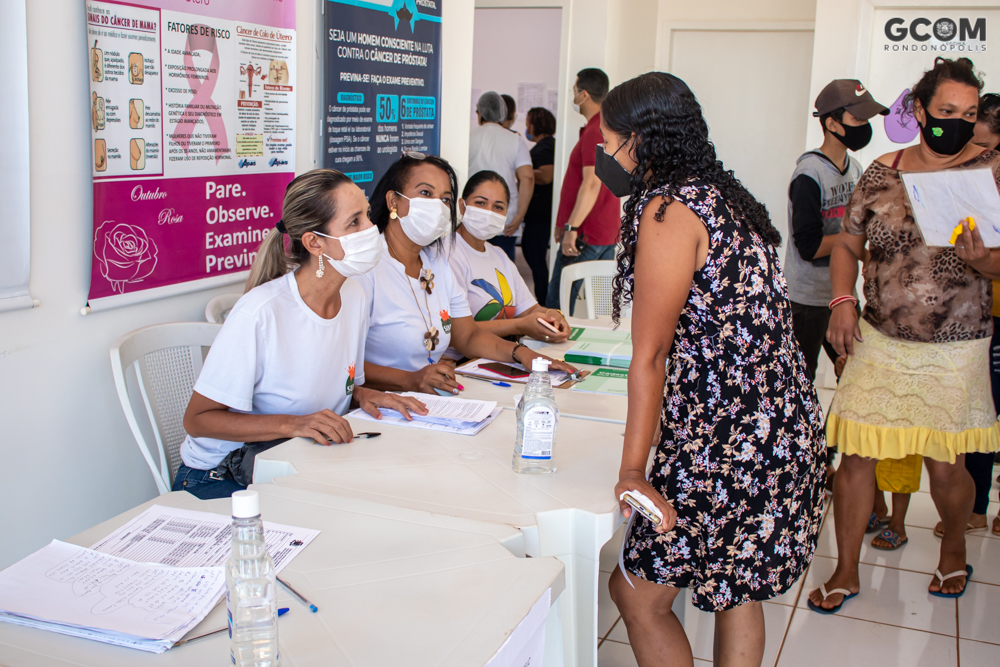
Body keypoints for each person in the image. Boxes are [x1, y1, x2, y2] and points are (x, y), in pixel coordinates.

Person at [603, 73, 826, 667]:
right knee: (738, 590)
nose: (605, 156)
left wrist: (633, 471)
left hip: (725, 437)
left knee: (636, 593)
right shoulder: (724, 196)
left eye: (609, 143)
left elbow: (651, 354)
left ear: (639, 140)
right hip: (779, 426)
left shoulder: (670, 210)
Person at [811, 58, 1000, 612]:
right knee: (856, 456)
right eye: (947, 111)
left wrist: (984, 260)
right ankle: (846, 569)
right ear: (919, 110)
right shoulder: (880, 173)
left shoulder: (991, 171)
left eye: (969, 113)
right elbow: (847, 246)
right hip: (880, 339)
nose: (959, 123)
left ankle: (953, 548)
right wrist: (842, 301)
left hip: (956, 346)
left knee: (945, 464)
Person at [178, 170, 428, 500]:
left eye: (367, 214)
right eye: (354, 222)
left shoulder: (354, 296)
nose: (371, 229)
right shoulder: (260, 312)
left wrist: (363, 395)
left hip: (299, 459)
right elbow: (197, 420)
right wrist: (293, 424)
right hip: (221, 476)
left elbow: (330, 383)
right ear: (314, 243)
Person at [355, 152, 575, 395]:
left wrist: (524, 355)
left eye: (445, 199)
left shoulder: (436, 262)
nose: (437, 206)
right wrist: (410, 380)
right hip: (379, 404)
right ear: (393, 201)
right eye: (426, 193)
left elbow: (468, 336)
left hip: (428, 399)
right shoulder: (365, 267)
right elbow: (342, 364)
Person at [785, 79, 888, 382]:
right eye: (858, 120)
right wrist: (856, 245)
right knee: (801, 381)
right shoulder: (809, 175)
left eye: (867, 120)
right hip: (807, 300)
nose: (865, 127)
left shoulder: (855, 169)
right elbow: (809, 247)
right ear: (832, 123)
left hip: (842, 294)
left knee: (856, 374)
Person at [939, 91, 1000, 538]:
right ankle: (976, 507)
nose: (972, 151)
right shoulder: (966, 179)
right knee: (982, 412)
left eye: (981, 142)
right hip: (981, 318)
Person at [445, 170, 569, 355]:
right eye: (480, 203)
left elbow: (530, 309)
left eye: (498, 207)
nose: (489, 212)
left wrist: (553, 316)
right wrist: (520, 325)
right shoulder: (447, 254)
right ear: (462, 206)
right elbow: (460, 330)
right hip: (460, 362)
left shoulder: (499, 255)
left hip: (502, 357)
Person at [545, 68, 621, 313]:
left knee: (557, 304)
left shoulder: (595, 131)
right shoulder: (607, 127)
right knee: (600, 306)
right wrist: (564, 222)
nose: (574, 96)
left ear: (584, 94)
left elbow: (591, 184)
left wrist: (571, 228)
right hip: (603, 231)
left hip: (585, 233)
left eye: (575, 91)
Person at [469, 91, 534, 261]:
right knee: (502, 269)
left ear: (479, 113)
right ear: (503, 114)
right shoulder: (515, 140)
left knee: (471, 265)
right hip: (505, 219)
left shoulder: (468, 138)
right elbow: (527, 178)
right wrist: (519, 216)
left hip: (472, 216)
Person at [522, 107, 557, 303]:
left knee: (535, 255)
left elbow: (546, 175)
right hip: (538, 214)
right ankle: (543, 297)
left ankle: (543, 300)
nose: (527, 127)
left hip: (541, 215)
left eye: (528, 123)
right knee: (532, 253)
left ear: (536, 124)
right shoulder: (544, 146)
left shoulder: (545, 147)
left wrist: (522, 172)